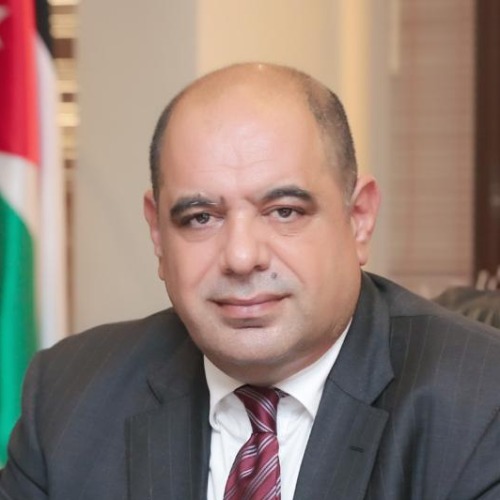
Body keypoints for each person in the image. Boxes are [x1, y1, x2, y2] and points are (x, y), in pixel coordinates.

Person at [1, 63, 500, 500]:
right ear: (157, 233)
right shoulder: (70, 395)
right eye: (200, 217)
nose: (241, 257)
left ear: (359, 218)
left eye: (284, 211)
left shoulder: (481, 403)